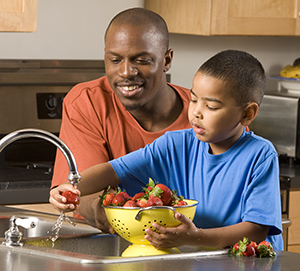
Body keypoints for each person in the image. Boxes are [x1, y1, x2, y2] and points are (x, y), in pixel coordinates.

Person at [50, 49, 283, 251]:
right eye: (193, 100)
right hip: (196, 259)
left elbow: (257, 229)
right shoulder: (175, 144)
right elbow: (114, 171)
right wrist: (70, 189)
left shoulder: (260, 155)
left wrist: (195, 237)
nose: (196, 113)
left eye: (211, 106)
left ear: (247, 114)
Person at [50, 8, 191, 232]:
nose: (126, 72)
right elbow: (84, 193)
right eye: (115, 60)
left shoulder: (207, 114)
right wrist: (103, 211)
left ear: (167, 60)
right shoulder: (87, 102)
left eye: (142, 60)